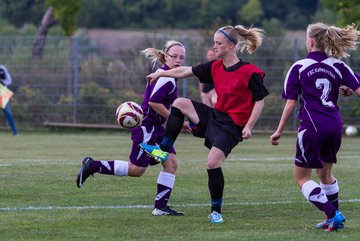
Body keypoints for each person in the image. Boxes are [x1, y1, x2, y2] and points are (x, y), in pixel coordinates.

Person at [140, 25, 269, 223]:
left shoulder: (249, 72)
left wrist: (249, 125)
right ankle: (163, 150)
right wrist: (160, 74)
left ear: (231, 46)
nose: (214, 46)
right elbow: (184, 71)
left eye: (218, 43)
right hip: (215, 116)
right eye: (214, 42)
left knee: (212, 163)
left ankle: (216, 211)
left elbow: (259, 101)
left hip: (232, 126)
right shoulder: (214, 66)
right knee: (179, 103)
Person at [76, 40, 190, 216]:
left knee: (171, 163)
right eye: (174, 56)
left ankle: (160, 207)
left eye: (181, 57)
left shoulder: (166, 74)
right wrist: (176, 120)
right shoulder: (166, 77)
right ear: (166, 56)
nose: (178, 60)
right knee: (137, 170)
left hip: (156, 130)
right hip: (147, 130)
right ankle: (92, 165)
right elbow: (154, 102)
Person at [270, 22, 360, 232]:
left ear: (310, 41)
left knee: (301, 178)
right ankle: (332, 220)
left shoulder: (299, 67)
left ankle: (333, 214)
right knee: (325, 175)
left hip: (312, 127)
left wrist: (279, 131)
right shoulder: (338, 65)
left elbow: (291, 102)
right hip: (334, 126)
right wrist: (344, 87)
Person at [0, 65, 18, 136]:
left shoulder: (2, 69)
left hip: (2, 93)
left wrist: (2, 82)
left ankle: (15, 132)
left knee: (8, 112)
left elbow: (9, 81)